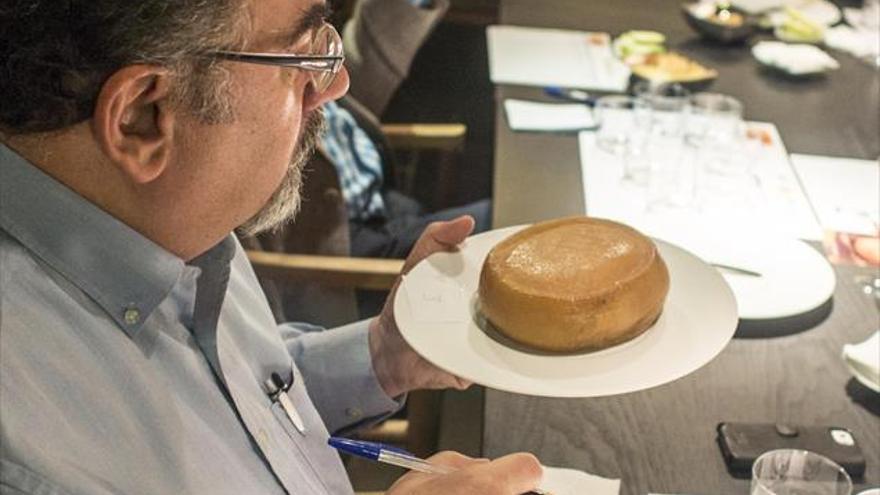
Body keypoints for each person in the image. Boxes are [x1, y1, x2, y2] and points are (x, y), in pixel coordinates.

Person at [0, 1, 543, 494]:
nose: (333, 85)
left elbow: (231, 399)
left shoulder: (170, 215)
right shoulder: (29, 456)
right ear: (143, 118)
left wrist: (383, 354)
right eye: (301, 56)